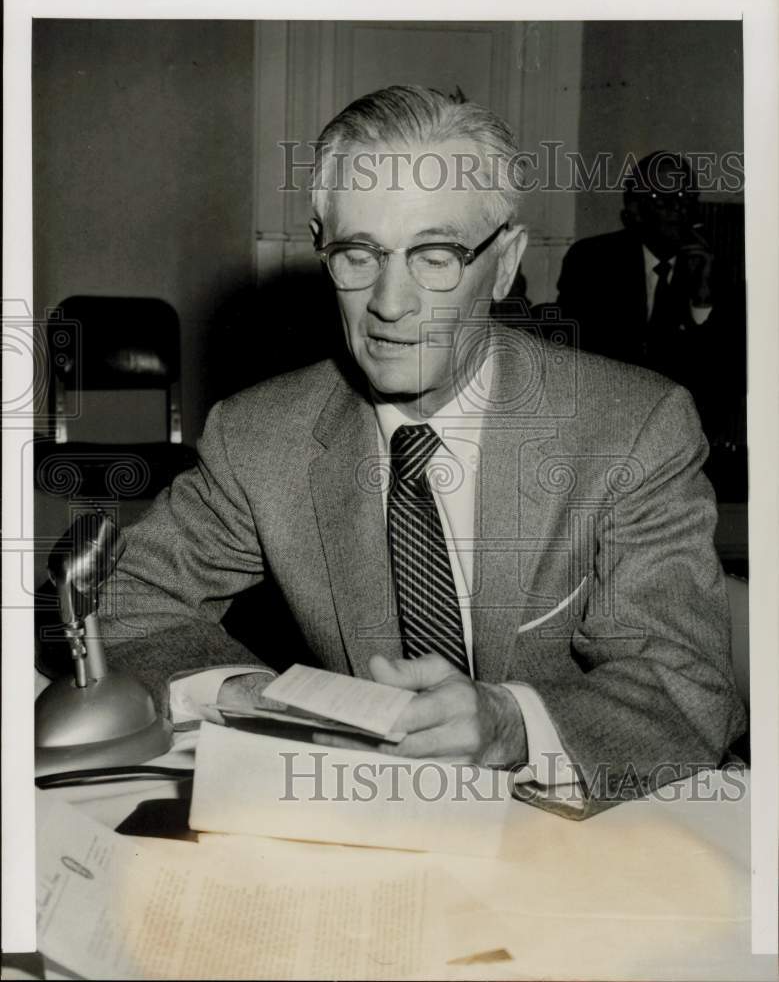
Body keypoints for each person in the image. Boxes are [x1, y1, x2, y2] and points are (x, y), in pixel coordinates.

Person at [99, 88, 746, 818]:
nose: (389, 302)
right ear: (322, 249)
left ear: (502, 265)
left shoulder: (631, 427)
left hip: (592, 827)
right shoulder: (260, 436)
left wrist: (509, 724)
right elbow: (124, 596)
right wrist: (254, 696)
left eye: (435, 256)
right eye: (357, 253)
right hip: (377, 832)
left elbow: (684, 686)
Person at [555, 151, 747, 476]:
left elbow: (726, 381)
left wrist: (701, 304)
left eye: (686, 196)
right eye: (662, 197)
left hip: (682, 440)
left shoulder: (715, 272)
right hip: (604, 434)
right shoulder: (591, 260)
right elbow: (575, 359)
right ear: (634, 211)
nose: (678, 207)